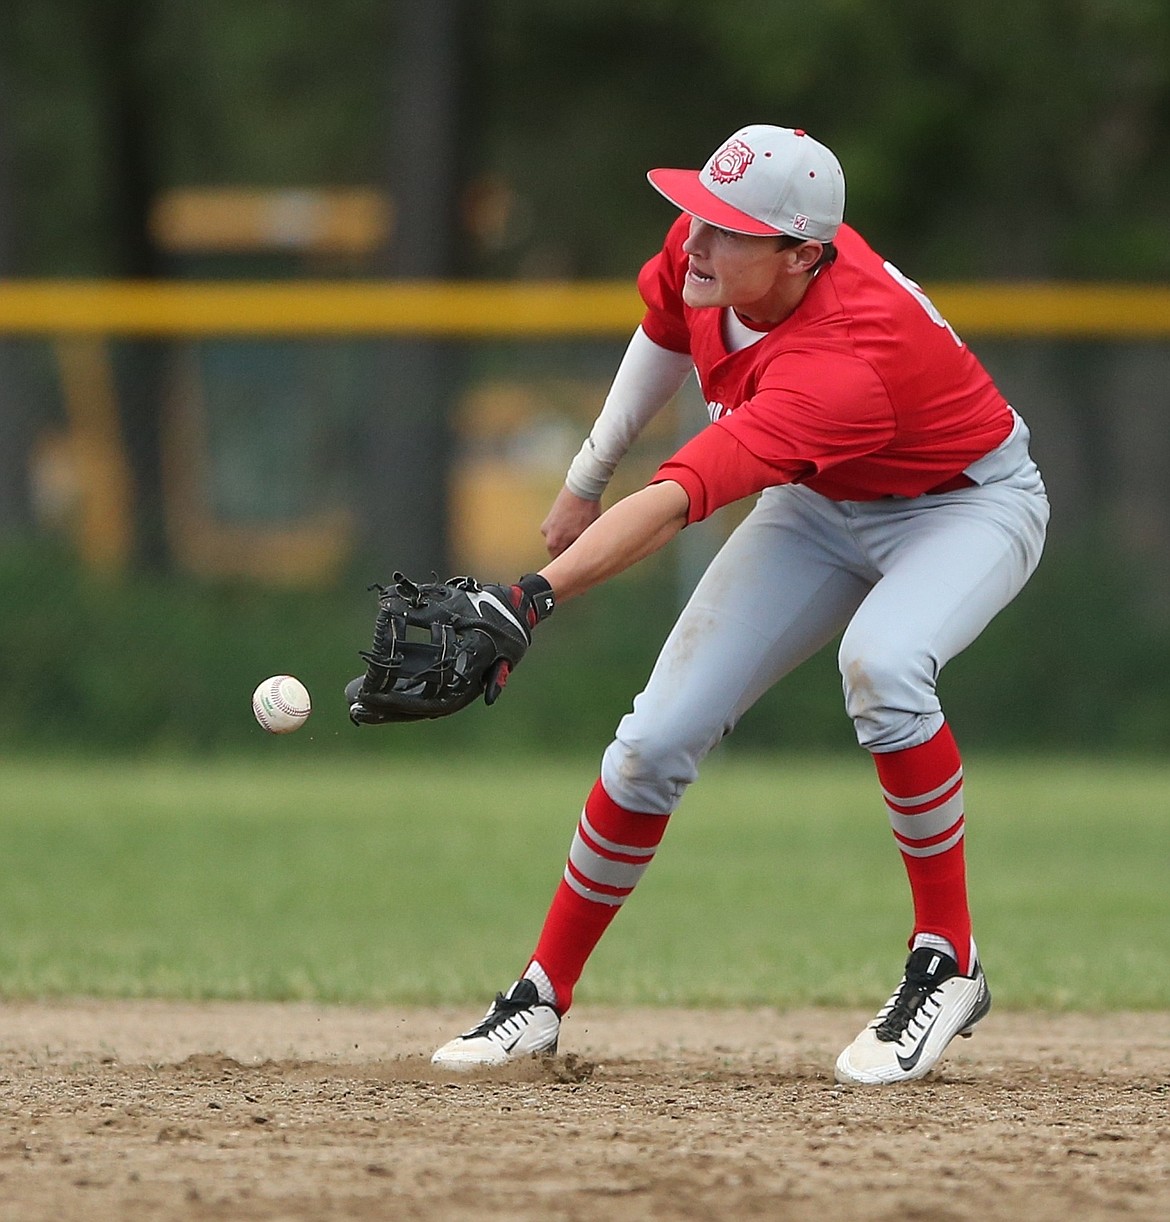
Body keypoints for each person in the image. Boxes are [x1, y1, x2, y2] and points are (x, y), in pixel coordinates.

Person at [430, 124, 1049, 1084]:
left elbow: (680, 498)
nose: (697, 239)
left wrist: (530, 597)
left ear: (803, 254)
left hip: (963, 505)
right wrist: (584, 476)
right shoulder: (712, 257)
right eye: (697, 213)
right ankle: (539, 996)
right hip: (821, 503)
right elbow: (665, 329)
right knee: (651, 739)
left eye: (728, 228)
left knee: (884, 666)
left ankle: (948, 958)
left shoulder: (846, 360)